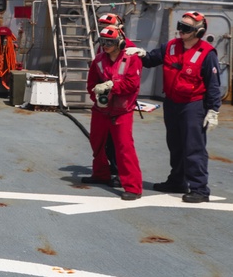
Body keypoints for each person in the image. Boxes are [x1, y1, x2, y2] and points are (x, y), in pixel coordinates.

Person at [127, 10, 221, 203]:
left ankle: (200, 189)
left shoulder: (206, 54)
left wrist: (213, 111)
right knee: (175, 144)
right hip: (172, 103)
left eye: (186, 28)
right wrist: (141, 53)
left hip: (193, 106)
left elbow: (213, 85)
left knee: (193, 147)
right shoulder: (170, 47)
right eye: (180, 26)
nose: (181, 31)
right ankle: (177, 181)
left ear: (199, 31)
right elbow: (152, 60)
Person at [84, 26, 144, 201]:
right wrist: (96, 95)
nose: (106, 45)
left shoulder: (131, 60)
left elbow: (132, 84)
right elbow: (91, 83)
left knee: (124, 148)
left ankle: (133, 187)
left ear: (120, 42)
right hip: (101, 110)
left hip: (121, 111)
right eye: (103, 42)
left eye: (109, 42)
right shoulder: (99, 61)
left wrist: (111, 86)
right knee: (97, 143)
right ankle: (100, 174)